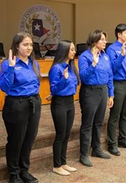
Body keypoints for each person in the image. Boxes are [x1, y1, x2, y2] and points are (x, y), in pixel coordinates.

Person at [0, 32, 42, 183]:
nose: (29, 47)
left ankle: (24, 170)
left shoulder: (33, 63)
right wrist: (11, 68)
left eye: (31, 44)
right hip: (16, 105)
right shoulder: (8, 63)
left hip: (34, 103)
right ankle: (14, 174)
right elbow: (4, 87)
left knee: (29, 139)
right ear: (16, 46)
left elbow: (36, 83)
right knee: (16, 140)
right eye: (25, 44)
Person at [78, 30, 113, 167]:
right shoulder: (85, 57)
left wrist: (111, 94)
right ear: (94, 41)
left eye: (105, 39)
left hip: (103, 90)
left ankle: (96, 149)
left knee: (99, 122)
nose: (105, 42)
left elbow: (110, 75)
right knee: (87, 124)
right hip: (90, 91)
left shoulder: (105, 56)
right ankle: (83, 154)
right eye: (102, 39)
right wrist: (93, 64)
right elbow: (84, 77)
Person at [105, 24, 126, 156]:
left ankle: (123, 139)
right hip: (117, 84)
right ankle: (111, 144)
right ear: (119, 35)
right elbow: (111, 69)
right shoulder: (111, 49)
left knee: (125, 114)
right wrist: (121, 56)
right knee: (115, 116)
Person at [48, 40, 79, 176]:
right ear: (64, 50)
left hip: (70, 102)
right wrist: (64, 79)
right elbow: (54, 89)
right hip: (59, 102)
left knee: (67, 134)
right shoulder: (56, 68)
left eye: (74, 49)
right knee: (60, 135)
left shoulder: (71, 66)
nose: (74, 52)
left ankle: (63, 162)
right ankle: (56, 165)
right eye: (71, 49)